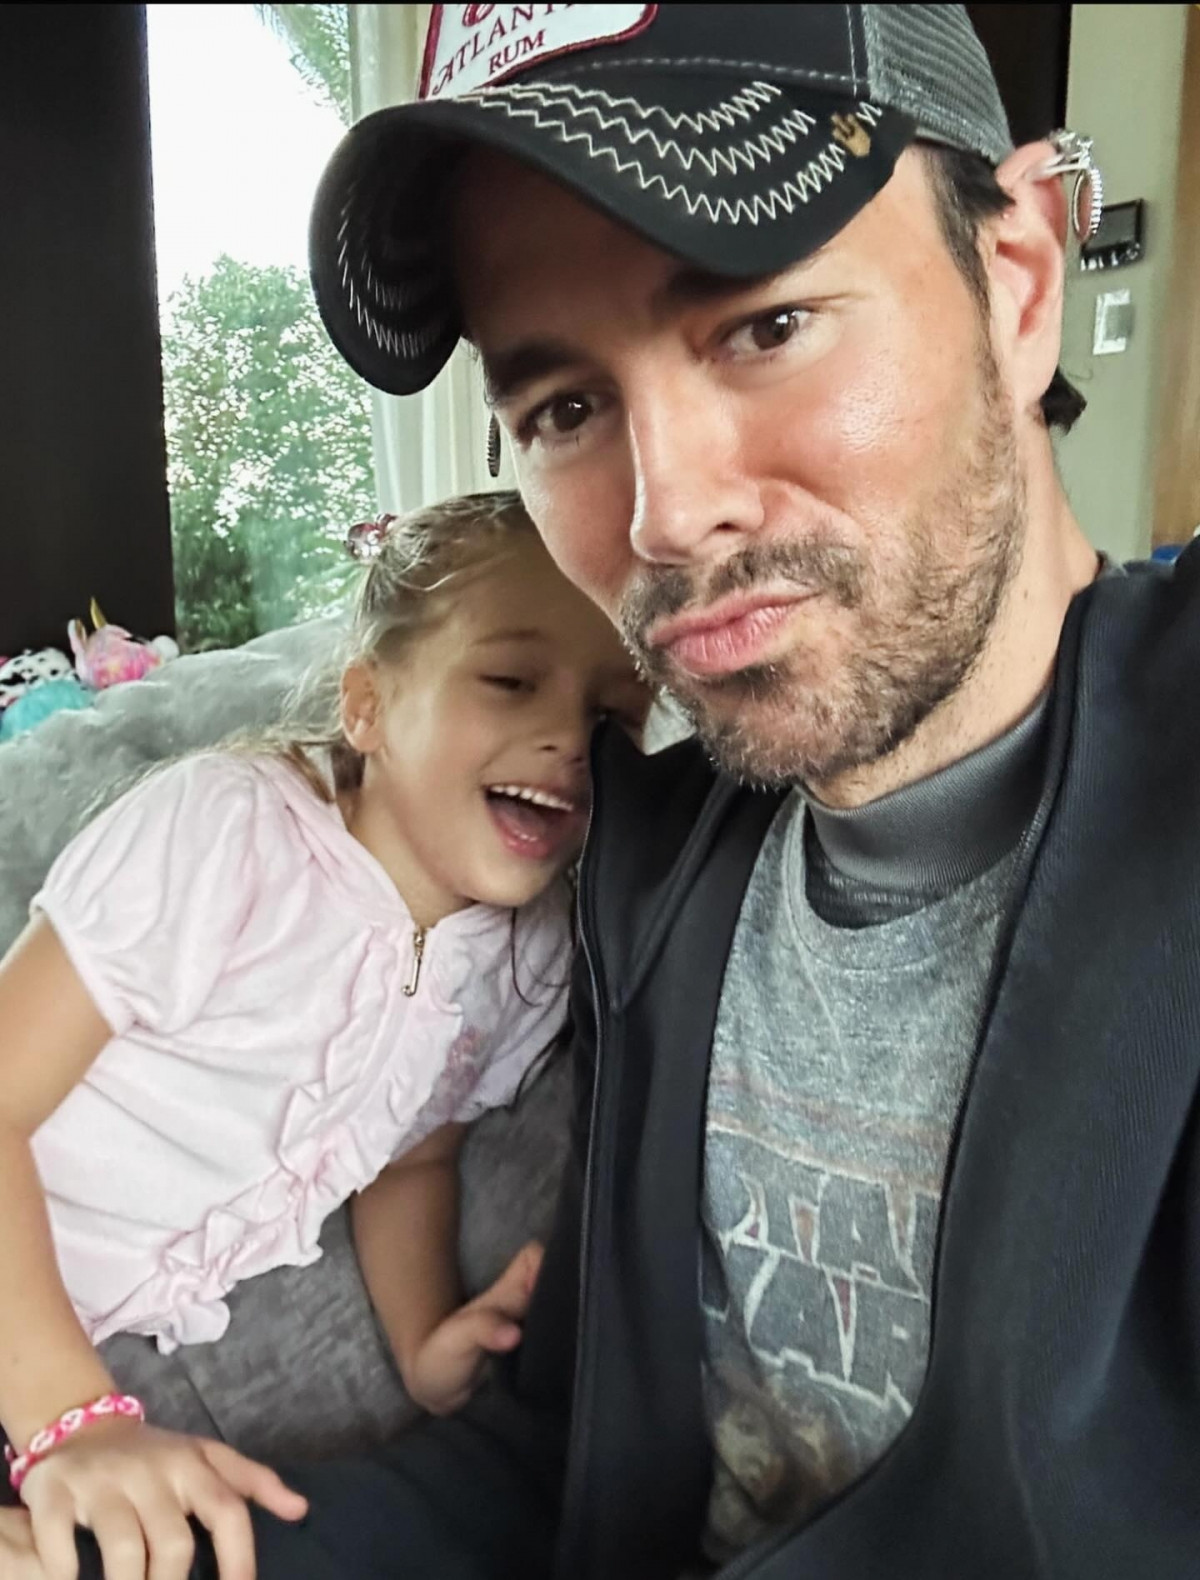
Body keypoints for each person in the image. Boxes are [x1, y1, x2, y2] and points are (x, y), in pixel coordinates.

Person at [9, 3, 1195, 1576]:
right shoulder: (650, 873)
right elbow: (557, 1473)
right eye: (565, 408)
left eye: (766, 325)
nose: (664, 514)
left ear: (1024, 277)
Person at [0, 491, 651, 1579]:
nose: (569, 741)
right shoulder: (228, 834)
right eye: (509, 679)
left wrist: (425, 1342)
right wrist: (73, 1421)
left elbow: (413, 1154)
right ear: (368, 706)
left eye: (615, 715)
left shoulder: (532, 957)